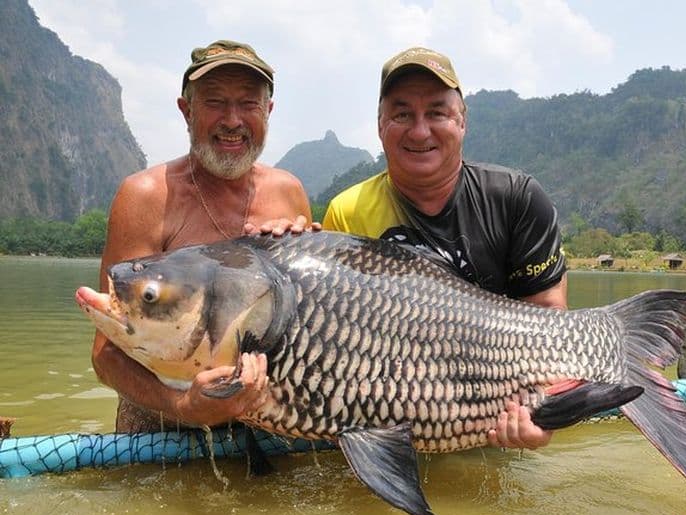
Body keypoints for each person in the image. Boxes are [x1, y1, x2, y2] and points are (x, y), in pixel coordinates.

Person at [322, 47, 568, 450]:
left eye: (436, 113)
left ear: (462, 121)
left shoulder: (516, 198)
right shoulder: (347, 213)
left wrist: (545, 413)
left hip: (491, 421)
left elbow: (551, 325)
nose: (420, 131)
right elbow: (330, 340)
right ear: (380, 125)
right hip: (382, 428)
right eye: (402, 114)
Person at [92, 40, 313, 433]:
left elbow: (314, 331)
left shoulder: (287, 192)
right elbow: (106, 355)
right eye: (214, 102)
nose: (232, 120)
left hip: (267, 433)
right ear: (186, 110)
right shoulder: (146, 196)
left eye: (249, 104)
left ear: (269, 112)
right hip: (161, 434)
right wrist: (182, 406)